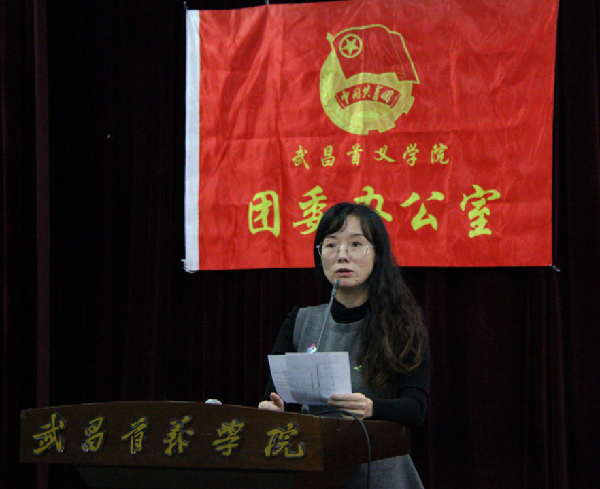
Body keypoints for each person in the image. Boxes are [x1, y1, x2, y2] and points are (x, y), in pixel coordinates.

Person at [259, 202, 431, 489]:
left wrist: (371, 408)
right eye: (331, 245)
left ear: (377, 253)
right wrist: (272, 409)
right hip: (313, 470)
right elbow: (276, 397)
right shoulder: (300, 321)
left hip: (379, 472)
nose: (342, 255)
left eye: (355, 244)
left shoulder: (402, 324)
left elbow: (415, 408)